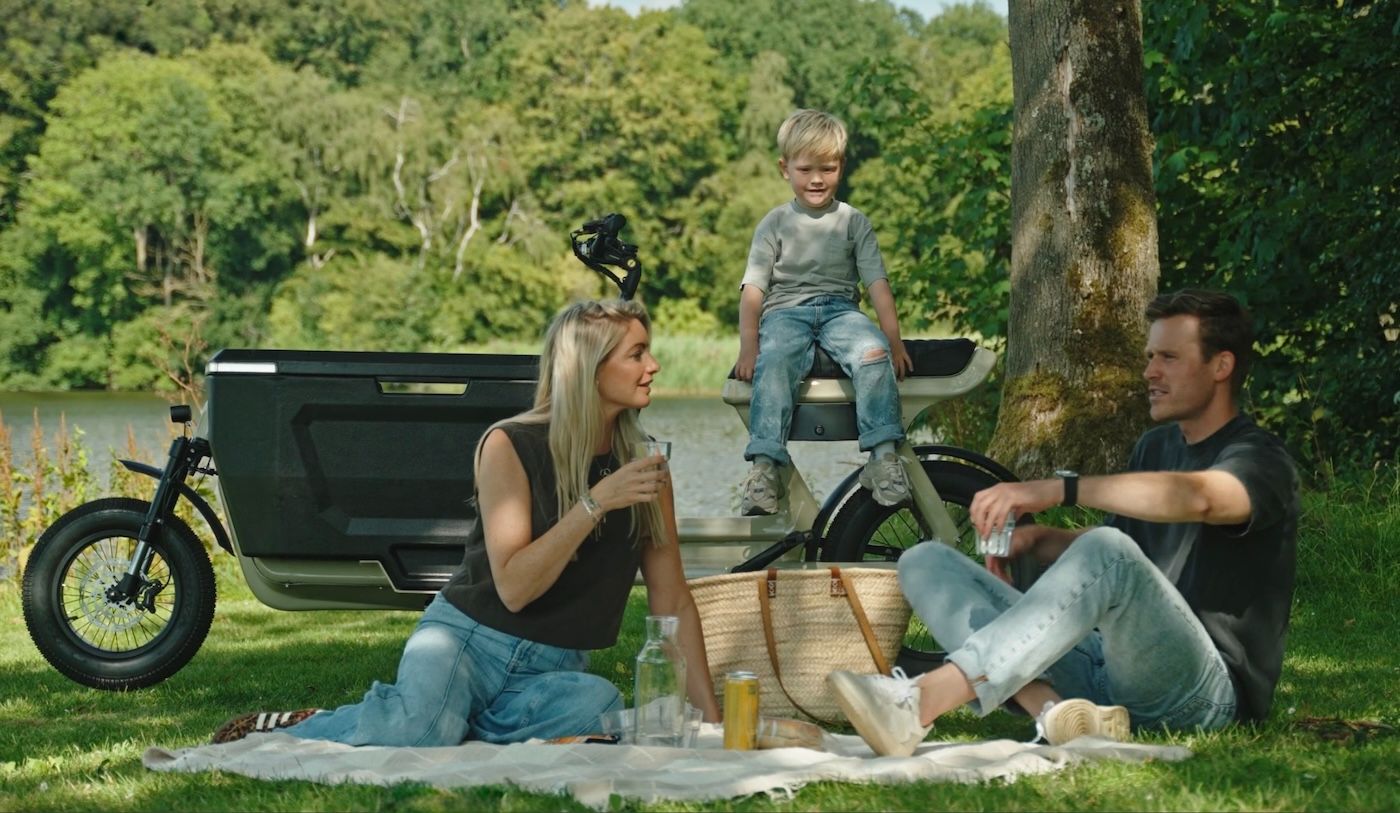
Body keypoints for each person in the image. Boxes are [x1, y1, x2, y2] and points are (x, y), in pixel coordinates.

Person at [212, 299, 720, 745]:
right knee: (424, 732)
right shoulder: (510, 445)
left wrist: (715, 728)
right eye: (636, 354)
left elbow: (672, 599)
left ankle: (430, 720)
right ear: (590, 366)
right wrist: (595, 503)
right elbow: (516, 589)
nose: (653, 365)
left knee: (600, 707)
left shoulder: (645, 469)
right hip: (467, 641)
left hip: (556, 669)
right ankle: (289, 727)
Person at [827, 289, 1300, 757]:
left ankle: (919, 703)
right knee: (924, 561)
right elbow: (1123, 556)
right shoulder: (1155, 447)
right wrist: (1039, 541)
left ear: (1221, 366)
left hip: (1205, 694)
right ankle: (1058, 715)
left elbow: (1202, 500)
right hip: (1109, 668)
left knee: (1108, 550)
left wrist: (1059, 489)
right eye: (1150, 356)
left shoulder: (1261, 459)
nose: (1150, 371)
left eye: (1169, 358)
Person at [733, 108, 914, 516]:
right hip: (786, 313)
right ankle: (765, 468)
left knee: (871, 353)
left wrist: (893, 341)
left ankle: (883, 457)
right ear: (785, 169)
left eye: (827, 168)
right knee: (775, 359)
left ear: (841, 167)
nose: (816, 179)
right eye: (805, 168)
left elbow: (877, 285)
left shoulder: (854, 222)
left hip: (839, 312)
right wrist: (749, 347)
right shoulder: (774, 224)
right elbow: (754, 289)